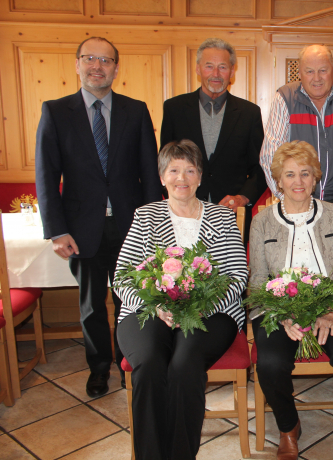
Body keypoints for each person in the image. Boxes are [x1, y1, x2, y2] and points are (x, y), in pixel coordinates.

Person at [35, 37, 160, 398]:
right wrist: (56, 231)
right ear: (77, 64)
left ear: (116, 69)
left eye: (106, 60)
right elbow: (46, 176)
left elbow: (149, 175)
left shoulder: (135, 111)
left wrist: (152, 225)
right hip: (80, 229)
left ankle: (128, 362)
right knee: (91, 306)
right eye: (90, 58)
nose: (97, 66)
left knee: (131, 300)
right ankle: (98, 368)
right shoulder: (56, 112)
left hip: (131, 227)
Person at [114, 140, 248, 460]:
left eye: (190, 170)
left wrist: (201, 306)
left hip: (210, 312)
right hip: (149, 309)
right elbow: (121, 275)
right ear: (162, 177)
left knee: (185, 364)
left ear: (200, 176)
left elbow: (237, 275)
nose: (182, 178)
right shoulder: (145, 216)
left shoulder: (223, 217)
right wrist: (154, 305)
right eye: (173, 170)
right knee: (147, 363)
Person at [250, 141, 333, 460]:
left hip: (332, 299)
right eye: (290, 175)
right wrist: (281, 314)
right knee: (270, 362)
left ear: (315, 178)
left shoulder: (332, 215)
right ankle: (288, 427)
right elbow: (257, 279)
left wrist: (330, 311)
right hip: (278, 305)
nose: (298, 181)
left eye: (305, 173)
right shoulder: (261, 221)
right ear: (278, 181)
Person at [260, 44, 333, 224]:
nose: (317, 78)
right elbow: (270, 157)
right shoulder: (285, 98)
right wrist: (286, 197)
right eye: (309, 71)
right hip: (294, 203)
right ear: (300, 73)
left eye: (323, 70)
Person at [160, 38, 265, 216]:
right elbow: (164, 162)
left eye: (223, 67)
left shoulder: (250, 113)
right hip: (183, 211)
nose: (215, 73)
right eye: (209, 66)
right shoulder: (174, 109)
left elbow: (259, 167)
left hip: (232, 215)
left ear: (232, 71)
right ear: (198, 68)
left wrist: (243, 197)